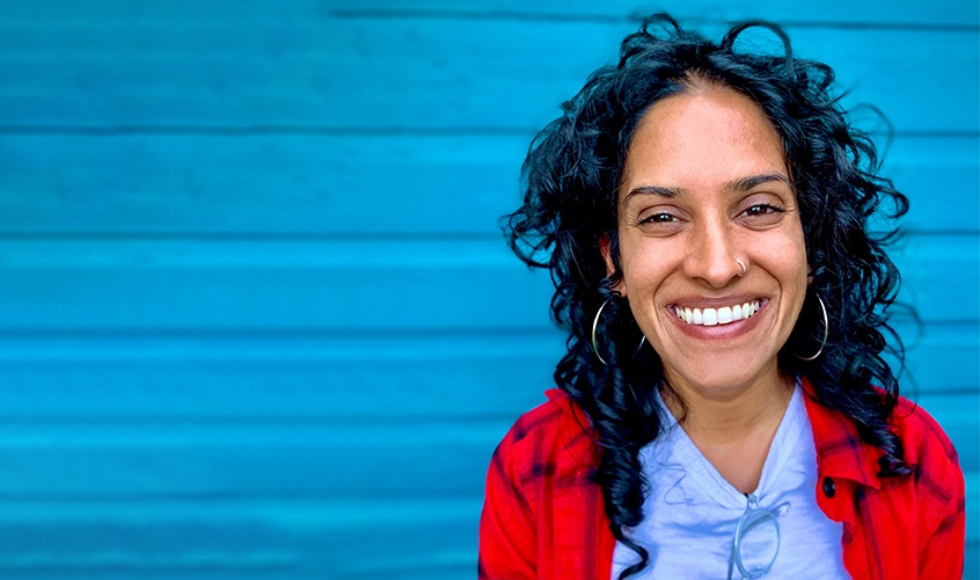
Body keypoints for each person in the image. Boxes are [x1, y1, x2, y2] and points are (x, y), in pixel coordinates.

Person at [478, 14, 965, 580]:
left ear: (811, 237)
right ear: (613, 259)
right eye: (662, 216)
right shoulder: (533, 468)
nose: (716, 267)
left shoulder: (913, 459)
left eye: (758, 208)